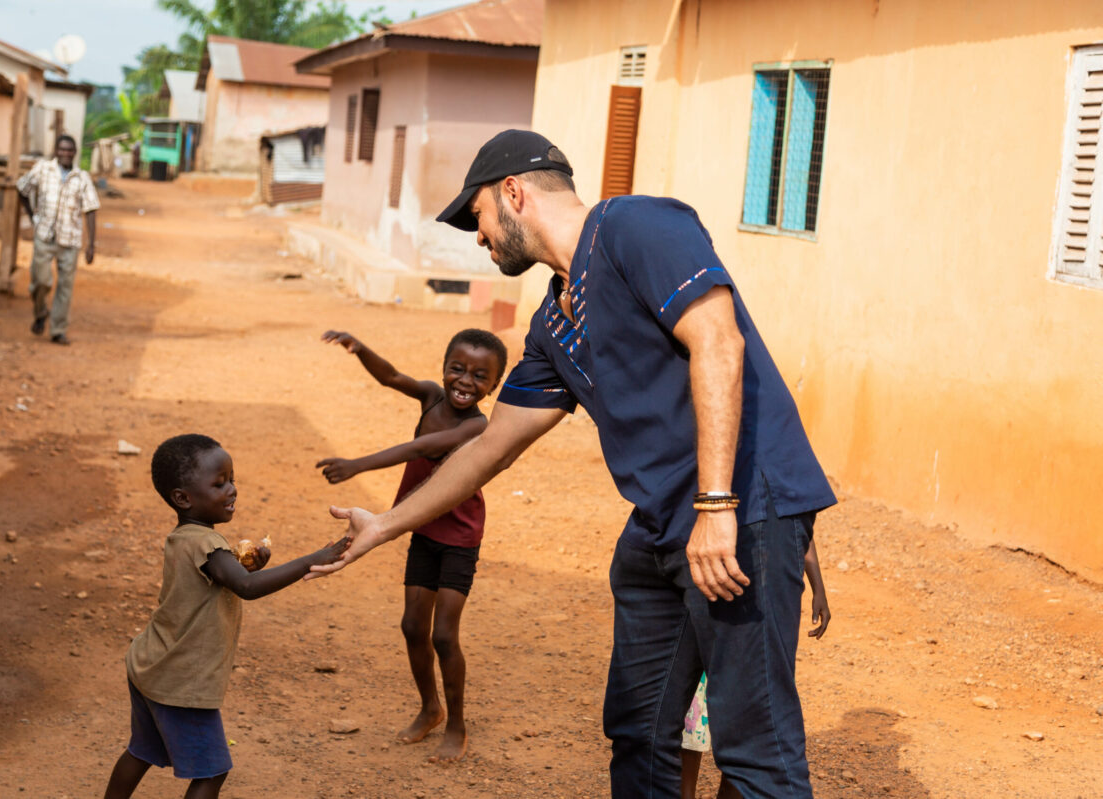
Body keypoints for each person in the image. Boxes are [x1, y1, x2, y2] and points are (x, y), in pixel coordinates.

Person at [311, 129, 838, 798]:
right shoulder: (551, 325)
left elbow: (719, 340)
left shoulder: (636, 226)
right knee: (638, 732)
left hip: (740, 512)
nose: (478, 237)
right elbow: (485, 448)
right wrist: (384, 525)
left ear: (513, 192)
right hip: (658, 526)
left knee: (756, 753)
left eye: (476, 216)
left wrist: (715, 506)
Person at [104, 433, 350, 799]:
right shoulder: (208, 544)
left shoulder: (184, 538)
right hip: (181, 683)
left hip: (150, 665)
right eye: (219, 484)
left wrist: (246, 566)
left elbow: (227, 581)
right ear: (183, 498)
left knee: (142, 751)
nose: (232, 490)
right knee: (212, 773)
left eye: (232, 480)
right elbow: (246, 589)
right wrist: (312, 559)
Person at [315, 328, 507, 763]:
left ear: (494, 386)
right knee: (412, 627)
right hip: (423, 528)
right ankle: (430, 708)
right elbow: (391, 377)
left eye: (480, 376)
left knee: (443, 634)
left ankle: (457, 725)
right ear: (443, 368)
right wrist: (362, 348)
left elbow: (423, 446)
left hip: (459, 536)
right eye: (457, 369)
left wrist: (356, 464)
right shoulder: (430, 398)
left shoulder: (477, 425)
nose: (465, 381)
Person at [680, 538, 831, 799]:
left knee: (748, 721)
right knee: (692, 724)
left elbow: (799, 525)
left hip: (754, 608)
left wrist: (819, 587)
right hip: (706, 595)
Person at [16, 133, 99, 346]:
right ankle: (41, 311)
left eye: (70, 150)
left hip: (70, 240)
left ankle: (58, 330)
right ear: (56, 150)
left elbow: (90, 210)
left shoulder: (81, 178)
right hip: (44, 235)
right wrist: (32, 216)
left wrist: (91, 244)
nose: (65, 153)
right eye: (62, 149)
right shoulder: (43, 169)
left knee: (65, 287)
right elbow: (22, 188)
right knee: (40, 281)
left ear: (75, 152)